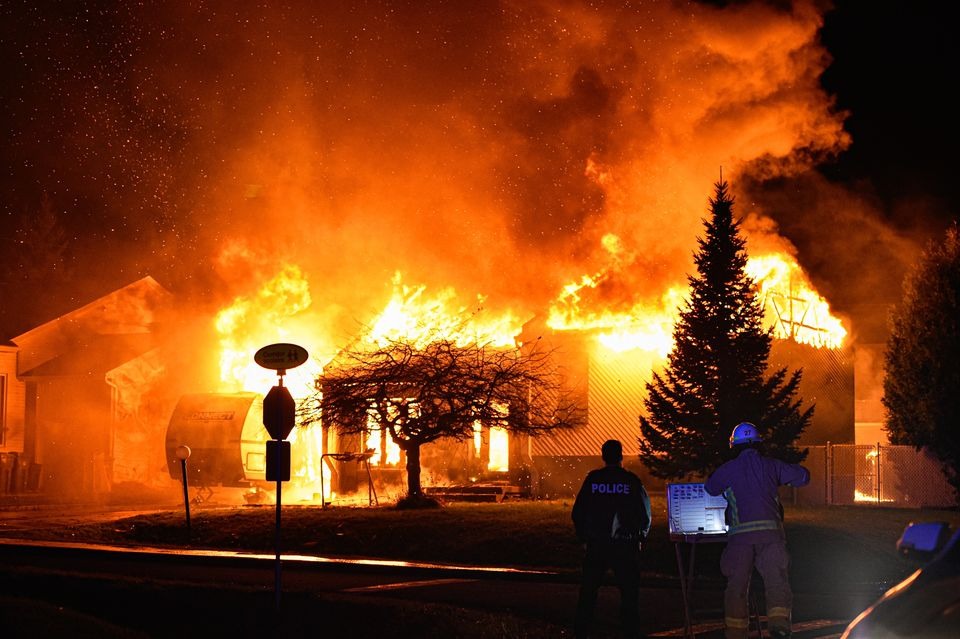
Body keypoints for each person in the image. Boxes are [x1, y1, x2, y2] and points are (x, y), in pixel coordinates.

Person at [705, 422, 810, 639]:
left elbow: (710, 488)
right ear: (758, 443)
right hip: (771, 536)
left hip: (740, 539)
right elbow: (803, 476)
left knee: (737, 587)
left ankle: (736, 632)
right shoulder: (771, 465)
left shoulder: (728, 469)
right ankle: (779, 624)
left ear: (734, 445)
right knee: (776, 580)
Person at [572, 439, 652, 639]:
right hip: (625, 545)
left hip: (597, 544)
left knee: (588, 592)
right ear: (621, 456)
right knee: (629, 594)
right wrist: (641, 537)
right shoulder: (631, 481)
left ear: (603, 456)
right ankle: (630, 632)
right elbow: (644, 513)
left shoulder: (593, 480)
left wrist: (583, 537)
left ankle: (581, 632)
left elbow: (578, 511)